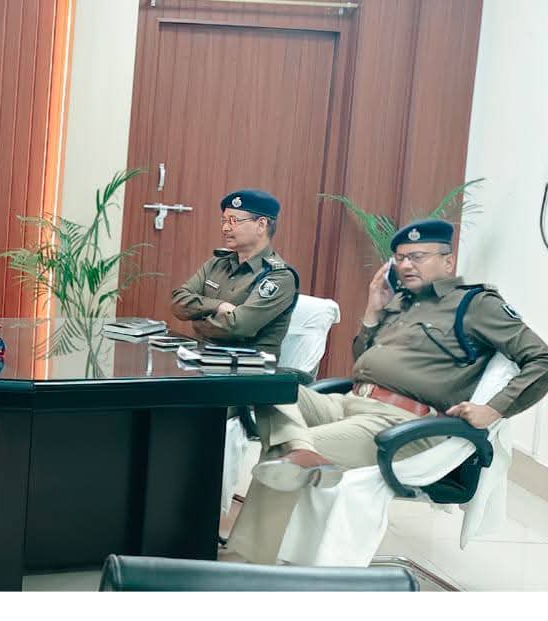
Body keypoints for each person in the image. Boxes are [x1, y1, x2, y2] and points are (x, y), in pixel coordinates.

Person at [226, 218, 548, 564]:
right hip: (349, 402)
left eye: (418, 257)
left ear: (448, 261)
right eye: (401, 258)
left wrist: (493, 410)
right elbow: (363, 364)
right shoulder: (402, 302)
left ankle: (242, 564)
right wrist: (372, 312)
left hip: (398, 422)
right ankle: (298, 455)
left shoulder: (476, 304)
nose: (406, 265)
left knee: (283, 449)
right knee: (266, 385)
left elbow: (541, 359)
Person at [170, 189, 298, 357]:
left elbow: (237, 327)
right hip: (202, 358)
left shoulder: (279, 276)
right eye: (224, 221)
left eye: (233, 221)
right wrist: (218, 306)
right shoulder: (218, 263)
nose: (225, 228)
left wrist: (196, 319)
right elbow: (178, 301)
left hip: (246, 367)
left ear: (261, 225)